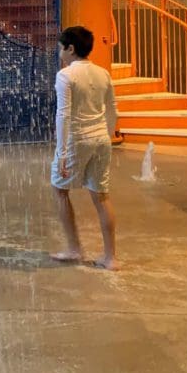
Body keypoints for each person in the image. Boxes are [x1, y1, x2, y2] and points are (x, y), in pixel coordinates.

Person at [50, 26, 120, 271]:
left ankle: (74, 248)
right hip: (101, 138)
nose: (59, 52)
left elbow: (63, 115)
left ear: (70, 48)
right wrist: (108, 135)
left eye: (61, 47)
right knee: (101, 196)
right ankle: (110, 258)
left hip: (77, 139)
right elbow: (113, 109)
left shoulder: (66, 75)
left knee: (60, 190)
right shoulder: (103, 73)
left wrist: (62, 152)